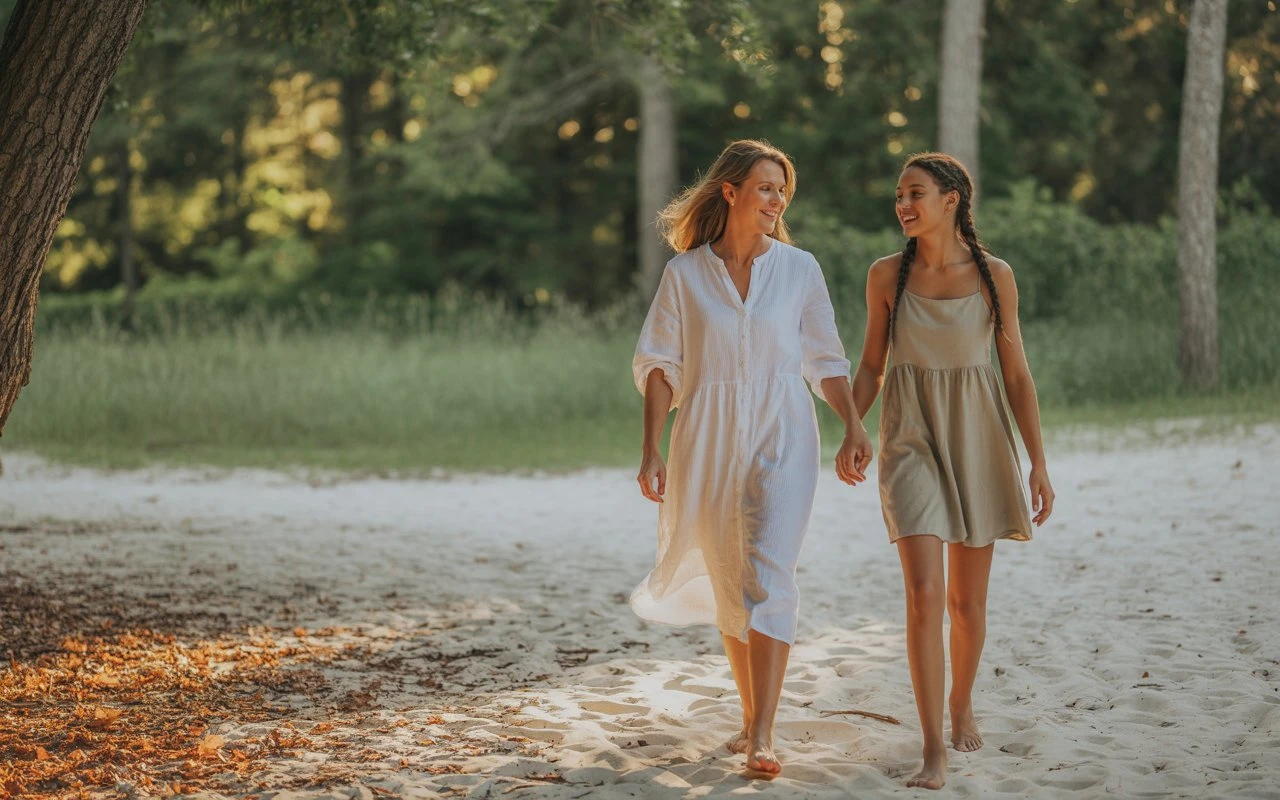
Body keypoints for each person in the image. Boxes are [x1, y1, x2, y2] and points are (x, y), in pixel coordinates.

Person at [632, 139, 873, 778]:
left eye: (782, 189)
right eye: (766, 187)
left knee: (769, 569)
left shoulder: (800, 269)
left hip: (784, 430)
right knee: (727, 573)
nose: (777, 199)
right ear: (731, 191)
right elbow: (661, 364)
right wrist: (651, 447)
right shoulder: (685, 275)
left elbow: (826, 360)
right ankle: (749, 717)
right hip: (705, 434)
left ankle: (764, 731)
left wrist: (854, 426)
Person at [851, 152, 1056, 789]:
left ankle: (961, 701)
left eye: (915, 193)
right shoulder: (887, 275)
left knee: (966, 605)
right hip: (909, 437)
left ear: (951, 200)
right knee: (924, 596)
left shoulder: (996, 276)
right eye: (898, 195)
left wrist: (1039, 463)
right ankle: (933, 746)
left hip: (979, 440)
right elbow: (871, 367)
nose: (903, 205)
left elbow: (1017, 376)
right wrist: (850, 426)